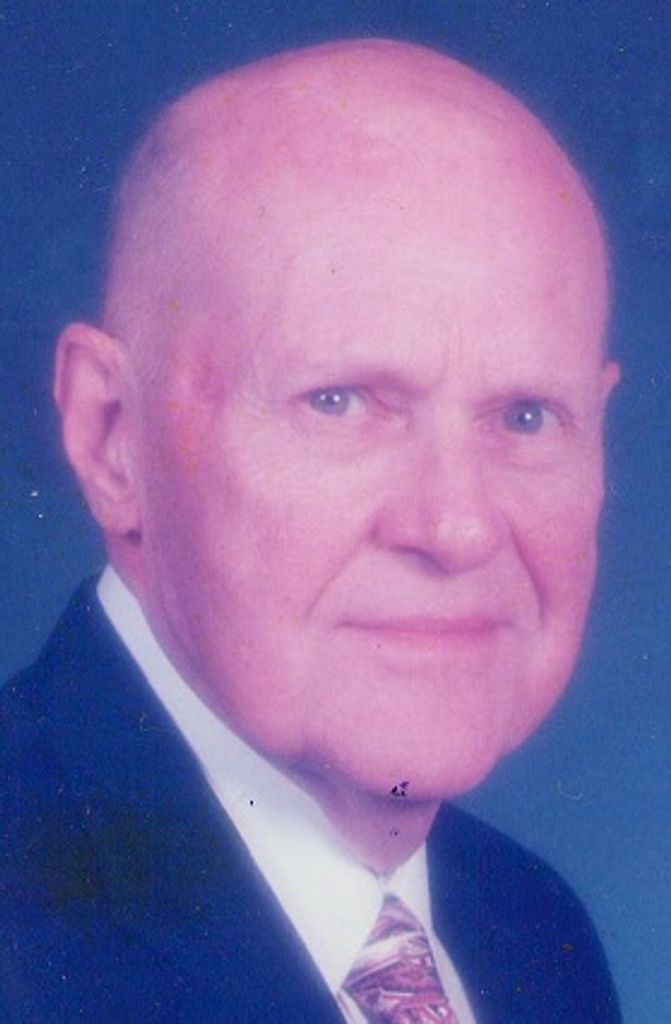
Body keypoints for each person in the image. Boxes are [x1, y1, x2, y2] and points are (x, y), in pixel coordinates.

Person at [0, 38, 621, 1022]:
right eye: (339, 401)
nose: (455, 526)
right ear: (111, 437)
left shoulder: (531, 931)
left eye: (524, 416)